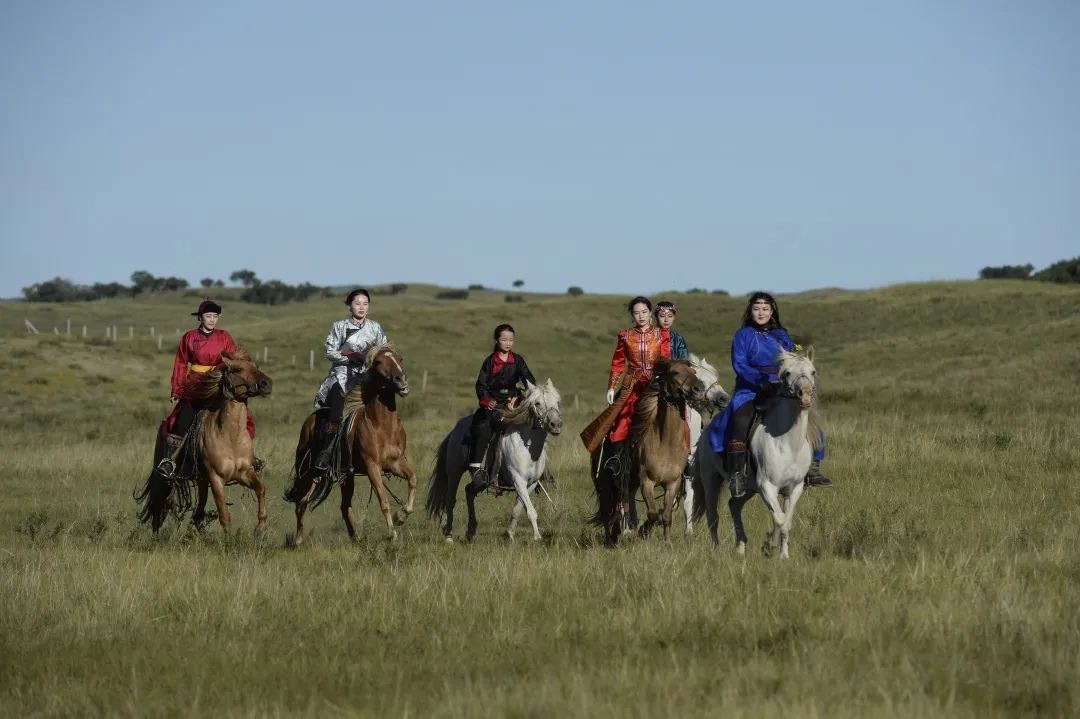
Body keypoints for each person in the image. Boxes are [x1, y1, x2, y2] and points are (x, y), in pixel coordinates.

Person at [707, 292, 831, 497]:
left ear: (772, 311)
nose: (761, 312)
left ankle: (812, 469)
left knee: (809, 420)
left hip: (782, 388)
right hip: (750, 390)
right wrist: (761, 381)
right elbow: (739, 364)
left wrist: (800, 345)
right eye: (756, 308)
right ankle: (737, 472)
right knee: (739, 419)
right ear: (750, 311)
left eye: (765, 309)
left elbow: (793, 349)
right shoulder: (742, 335)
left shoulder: (781, 334)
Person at [160, 298, 258, 472]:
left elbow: (234, 360)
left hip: (219, 383)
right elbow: (181, 363)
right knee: (182, 418)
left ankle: (249, 456)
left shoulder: (225, 336)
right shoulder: (189, 337)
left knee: (243, 416)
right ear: (200, 318)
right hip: (195, 385)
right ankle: (170, 461)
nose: (212, 319)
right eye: (208, 316)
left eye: (215, 316)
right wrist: (176, 389)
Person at [581, 296, 671, 482]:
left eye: (644, 312)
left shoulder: (661, 335)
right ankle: (615, 459)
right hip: (633, 386)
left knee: (676, 413)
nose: (641, 316)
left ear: (649, 312)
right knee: (622, 418)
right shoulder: (626, 336)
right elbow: (618, 362)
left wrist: (663, 379)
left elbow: (666, 360)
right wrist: (612, 386)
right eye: (636, 313)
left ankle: (684, 457)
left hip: (656, 384)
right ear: (632, 315)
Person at [312, 288, 389, 472]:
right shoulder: (339, 326)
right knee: (337, 405)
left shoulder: (375, 327)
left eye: (365, 304)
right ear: (349, 306)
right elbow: (330, 351)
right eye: (357, 303)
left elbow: (384, 350)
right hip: (342, 375)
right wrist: (350, 357)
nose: (361, 307)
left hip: (367, 377)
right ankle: (326, 452)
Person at [466, 324, 537, 489]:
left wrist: (517, 396)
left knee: (535, 425)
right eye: (504, 339)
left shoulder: (518, 360)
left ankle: (541, 471)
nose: (508, 343)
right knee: (484, 428)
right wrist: (487, 400)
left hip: (514, 403)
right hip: (494, 405)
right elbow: (480, 386)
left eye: (511, 340)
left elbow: (530, 381)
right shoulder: (490, 361)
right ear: (497, 340)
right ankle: (477, 469)